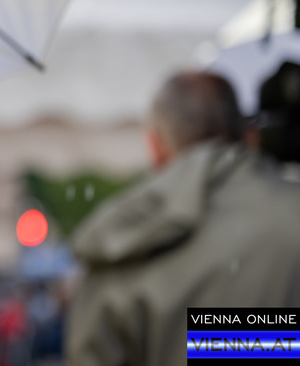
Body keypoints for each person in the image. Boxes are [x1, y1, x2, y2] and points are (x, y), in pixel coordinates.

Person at [66, 70, 300, 366]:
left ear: (156, 147)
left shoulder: (122, 241)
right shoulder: (289, 215)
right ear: (250, 137)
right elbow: (252, 341)